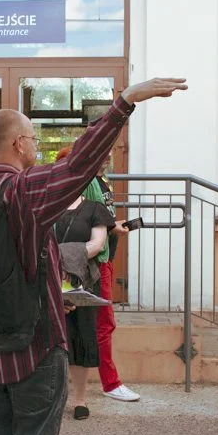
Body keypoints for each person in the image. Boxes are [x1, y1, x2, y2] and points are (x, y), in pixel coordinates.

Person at [0, 77, 186, 435]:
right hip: (34, 356)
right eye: (35, 140)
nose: (37, 148)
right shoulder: (22, 192)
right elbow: (82, 164)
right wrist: (125, 103)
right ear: (19, 144)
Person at [51, 152, 116, 420]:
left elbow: (97, 245)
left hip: (83, 282)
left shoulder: (94, 208)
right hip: (49, 281)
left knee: (81, 335)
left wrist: (59, 255)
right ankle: (53, 397)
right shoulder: (47, 207)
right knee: (52, 340)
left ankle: (80, 399)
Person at [82, 159, 140, 403]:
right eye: (102, 151)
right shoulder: (88, 181)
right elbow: (86, 218)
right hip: (95, 261)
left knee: (100, 323)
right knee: (103, 323)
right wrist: (110, 228)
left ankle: (105, 383)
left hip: (103, 258)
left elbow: (99, 217)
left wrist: (112, 226)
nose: (106, 156)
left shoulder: (101, 180)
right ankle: (110, 383)